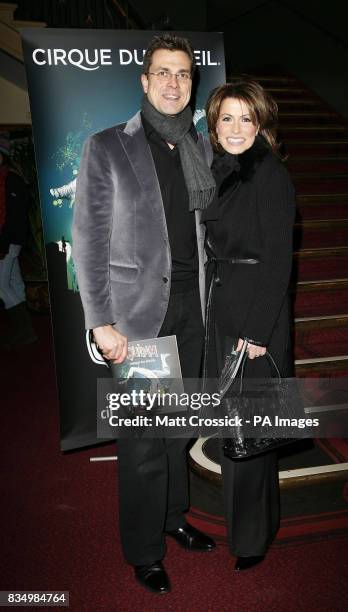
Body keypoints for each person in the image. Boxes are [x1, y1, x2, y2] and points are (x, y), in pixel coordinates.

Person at [72, 34, 216, 594]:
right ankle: (144, 548)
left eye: (183, 74)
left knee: (177, 431)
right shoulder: (108, 146)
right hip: (139, 318)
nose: (173, 83)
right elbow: (88, 241)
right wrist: (101, 322)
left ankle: (173, 517)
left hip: (192, 311)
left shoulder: (201, 147)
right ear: (144, 80)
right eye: (163, 72)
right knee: (141, 444)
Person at [203, 80, 296, 571]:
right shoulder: (222, 169)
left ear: (261, 124)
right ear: (214, 127)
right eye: (226, 119)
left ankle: (252, 540)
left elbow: (279, 260)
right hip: (226, 310)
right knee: (237, 427)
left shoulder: (269, 174)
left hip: (255, 320)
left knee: (251, 434)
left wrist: (259, 332)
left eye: (246, 118)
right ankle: (253, 526)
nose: (236, 129)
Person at [0, 132, 37, 347]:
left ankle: (25, 330)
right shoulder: (6, 178)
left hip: (9, 242)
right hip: (9, 241)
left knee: (2, 286)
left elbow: (15, 217)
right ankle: (25, 331)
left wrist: (4, 243)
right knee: (13, 282)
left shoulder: (11, 179)